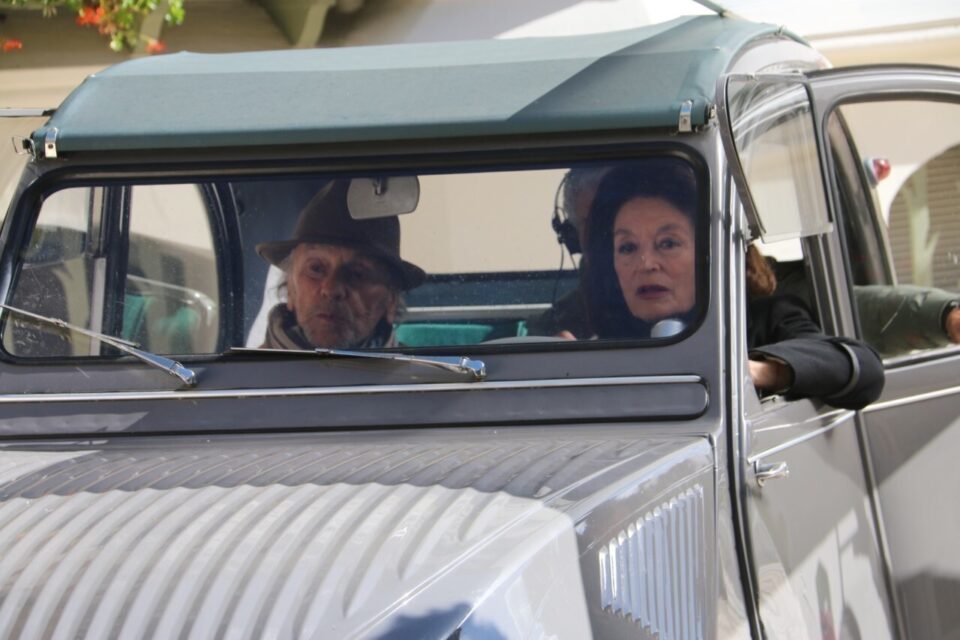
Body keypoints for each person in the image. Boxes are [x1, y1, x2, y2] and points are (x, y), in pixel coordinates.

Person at [532, 164, 960, 355]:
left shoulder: (769, 301)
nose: (644, 260)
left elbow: (857, 319)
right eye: (621, 241)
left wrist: (944, 315)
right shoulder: (584, 314)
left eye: (666, 242)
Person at [581, 160, 885, 409]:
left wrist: (757, 372)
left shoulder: (765, 319)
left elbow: (863, 370)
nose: (646, 263)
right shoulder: (593, 333)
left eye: (668, 243)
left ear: (707, 253)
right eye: (628, 248)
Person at [256, 180, 425, 350]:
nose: (331, 289)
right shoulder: (245, 374)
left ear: (391, 302)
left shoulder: (423, 375)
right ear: (291, 290)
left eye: (358, 274)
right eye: (316, 268)